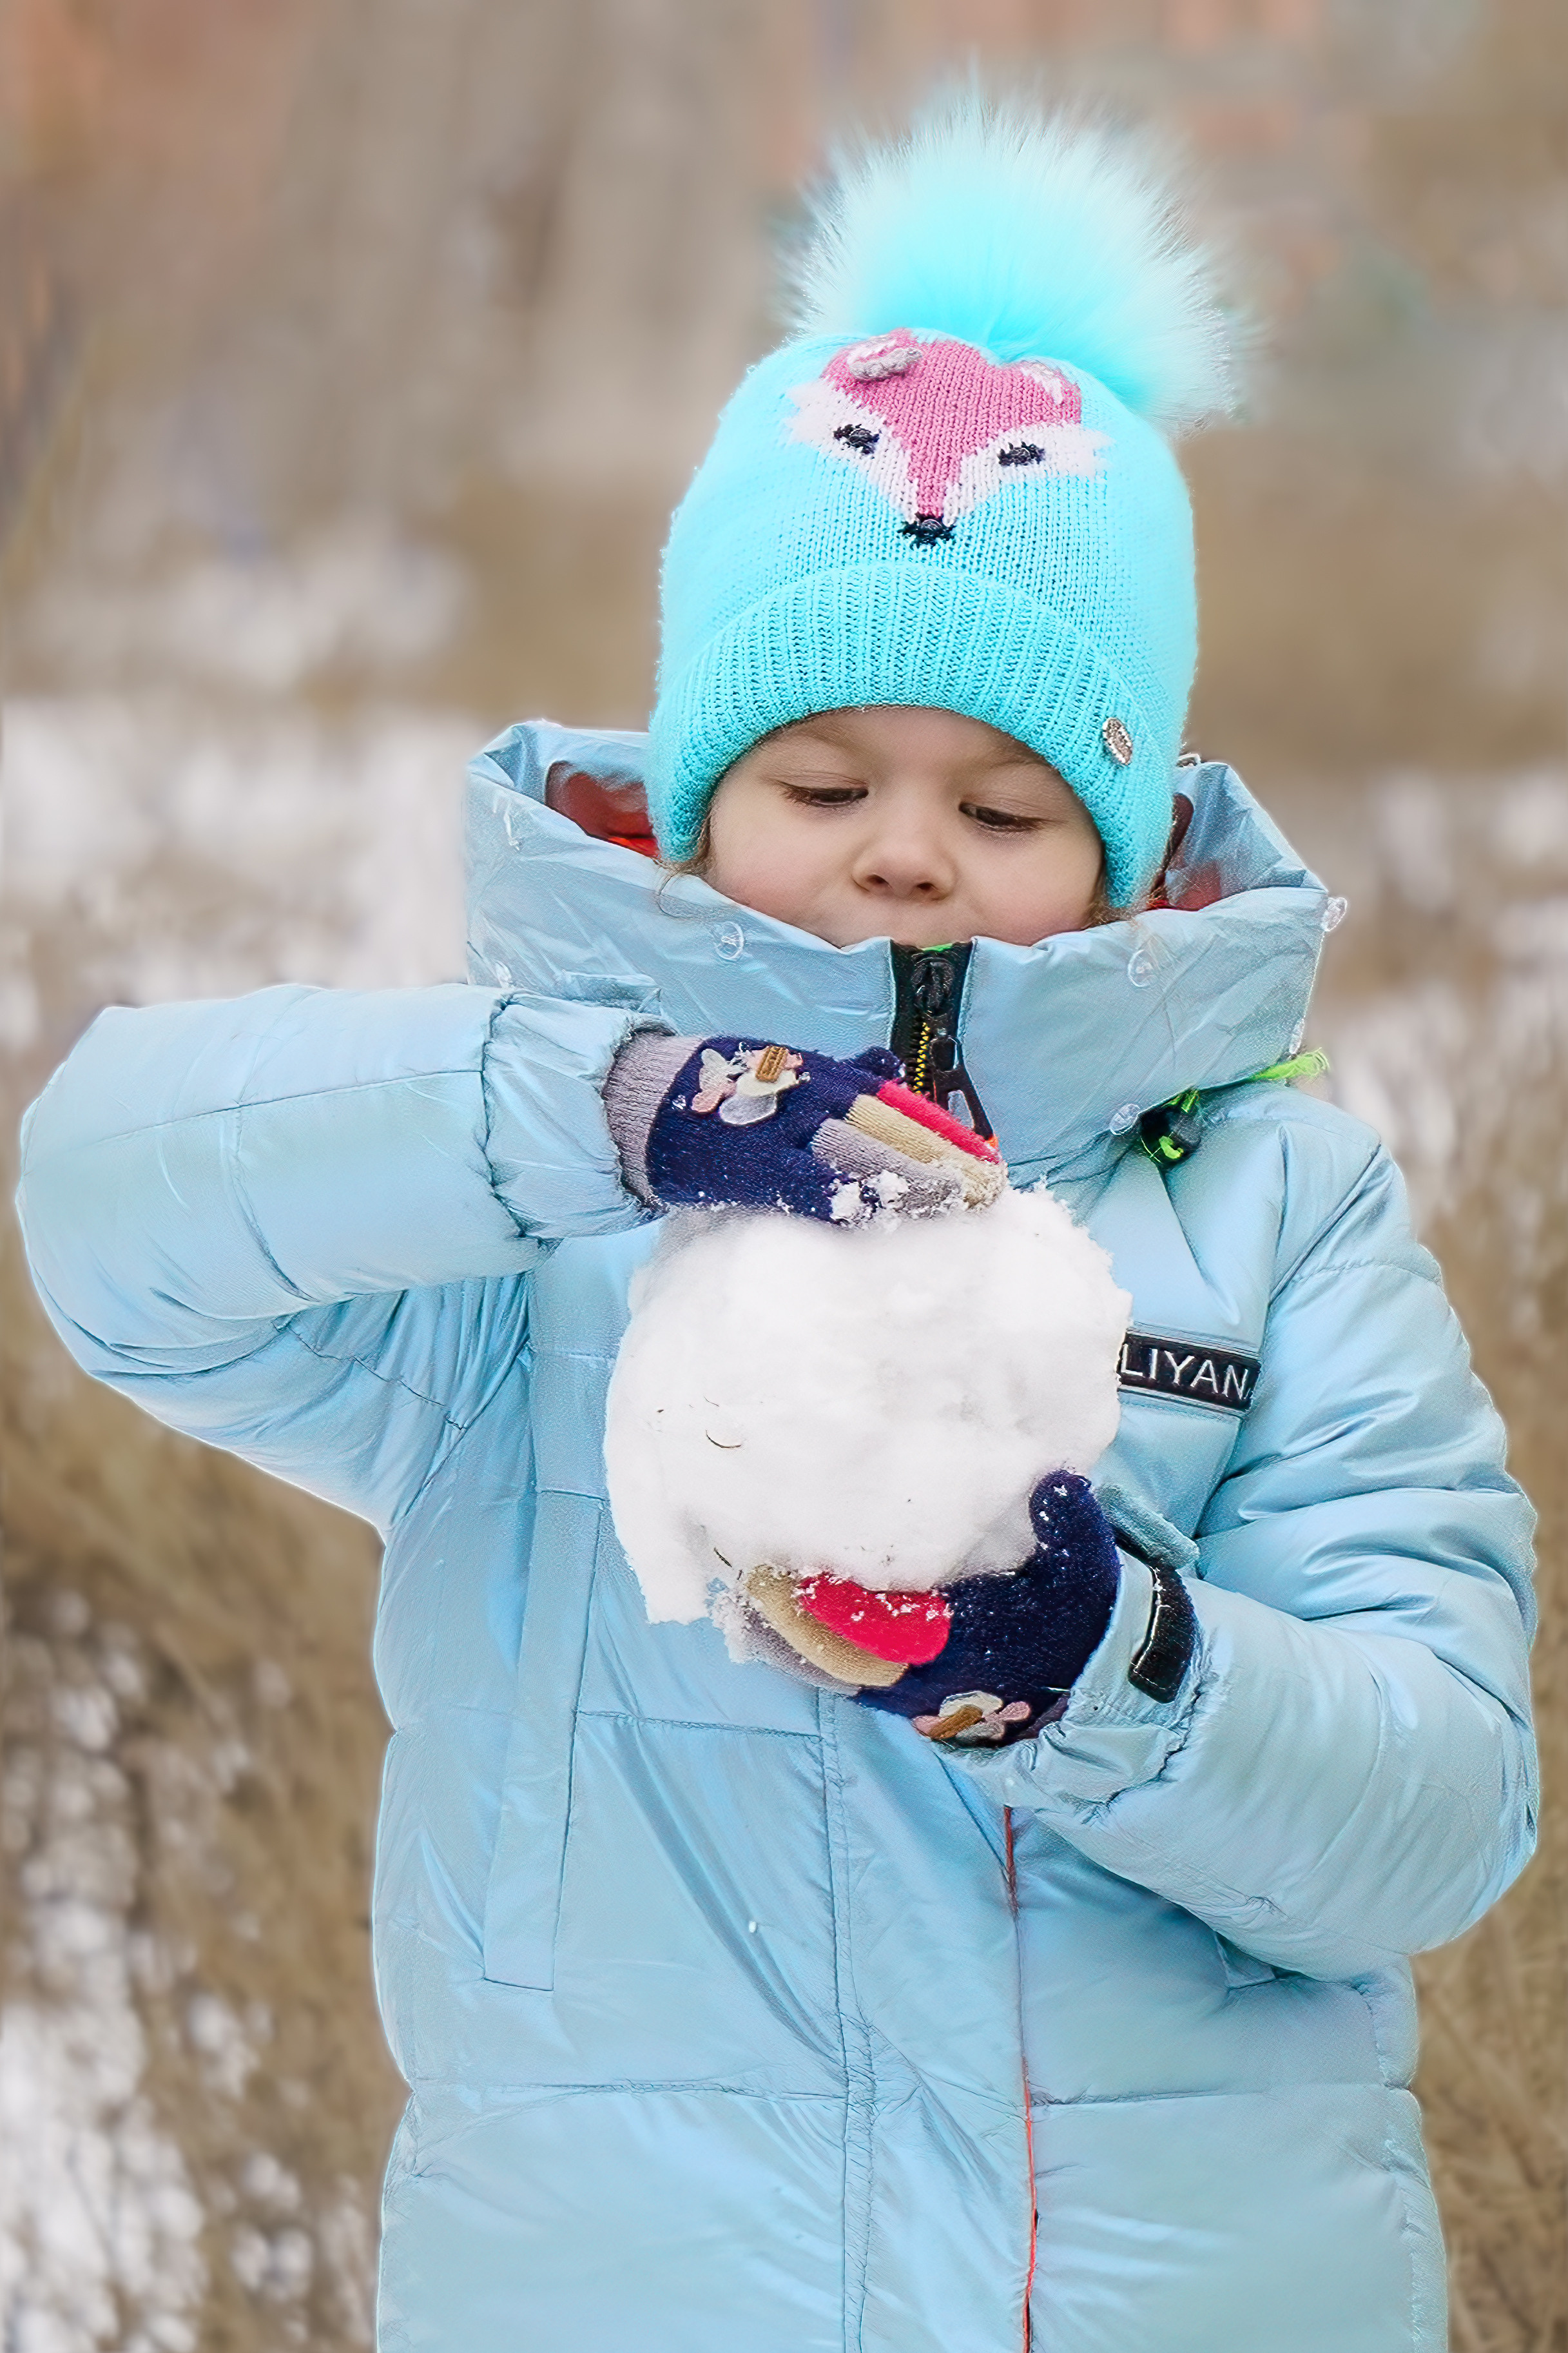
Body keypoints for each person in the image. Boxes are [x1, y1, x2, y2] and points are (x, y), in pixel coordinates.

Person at [17, 96, 1536, 2353]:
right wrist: (615, 1107)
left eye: (1007, 802)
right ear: (703, 784)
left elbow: (1437, 1803)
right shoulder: (523, 1226)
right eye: (822, 784)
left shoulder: (1269, 1205)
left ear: (1122, 849)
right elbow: (111, 1207)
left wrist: (1093, 1658)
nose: (905, 851)